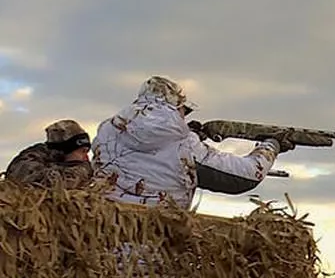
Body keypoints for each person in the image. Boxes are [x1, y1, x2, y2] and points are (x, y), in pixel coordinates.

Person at [90, 75, 294, 209]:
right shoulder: (185, 145)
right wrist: (271, 146)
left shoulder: (106, 131)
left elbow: (145, 156)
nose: (184, 116)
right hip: (154, 247)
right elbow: (244, 176)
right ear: (176, 108)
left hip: (103, 240)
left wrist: (192, 134)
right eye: (184, 111)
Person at [2, 119, 94, 189]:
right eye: (83, 151)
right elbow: (52, 183)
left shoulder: (63, 162)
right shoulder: (30, 159)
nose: (86, 157)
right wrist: (81, 169)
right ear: (64, 150)